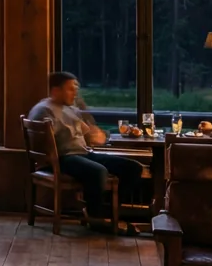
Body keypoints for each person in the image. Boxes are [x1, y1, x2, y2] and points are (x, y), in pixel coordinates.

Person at [28, 72, 145, 220]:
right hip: (61, 158)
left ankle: (109, 213)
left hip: (82, 153)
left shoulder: (69, 108)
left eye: (76, 88)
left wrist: (96, 135)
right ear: (56, 91)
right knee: (98, 171)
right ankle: (95, 216)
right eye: (71, 89)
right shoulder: (44, 110)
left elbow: (88, 133)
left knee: (132, 168)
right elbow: (46, 142)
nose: (75, 93)